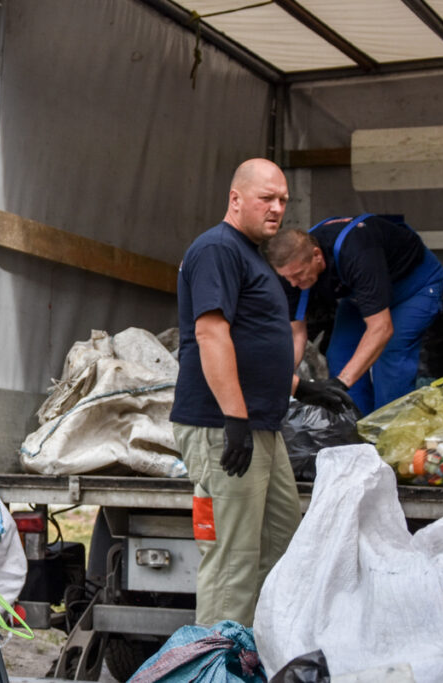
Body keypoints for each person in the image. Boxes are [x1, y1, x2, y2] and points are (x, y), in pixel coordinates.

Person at [169, 158, 302, 628]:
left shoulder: (250, 254)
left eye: (283, 199)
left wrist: (304, 387)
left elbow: (253, 339)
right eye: (267, 197)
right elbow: (211, 335)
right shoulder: (217, 249)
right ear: (236, 198)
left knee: (280, 546)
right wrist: (235, 418)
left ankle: (253, 660)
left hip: (263, 425)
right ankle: (216, 671)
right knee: (234, 562)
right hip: (221, 425)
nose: (277, 208)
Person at [261, 213, 443, 415]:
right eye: (287, 278)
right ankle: (355, 432)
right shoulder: (291, 273)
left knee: (392, 355)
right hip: (363, 294)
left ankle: (388, 434)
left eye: (298, 275)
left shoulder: (357, 252)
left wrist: (341, 384)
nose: (293, 284)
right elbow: (296, 334)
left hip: (413, 286)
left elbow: (381, 328)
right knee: (339, 354)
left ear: (317, 255)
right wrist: (284, 381)